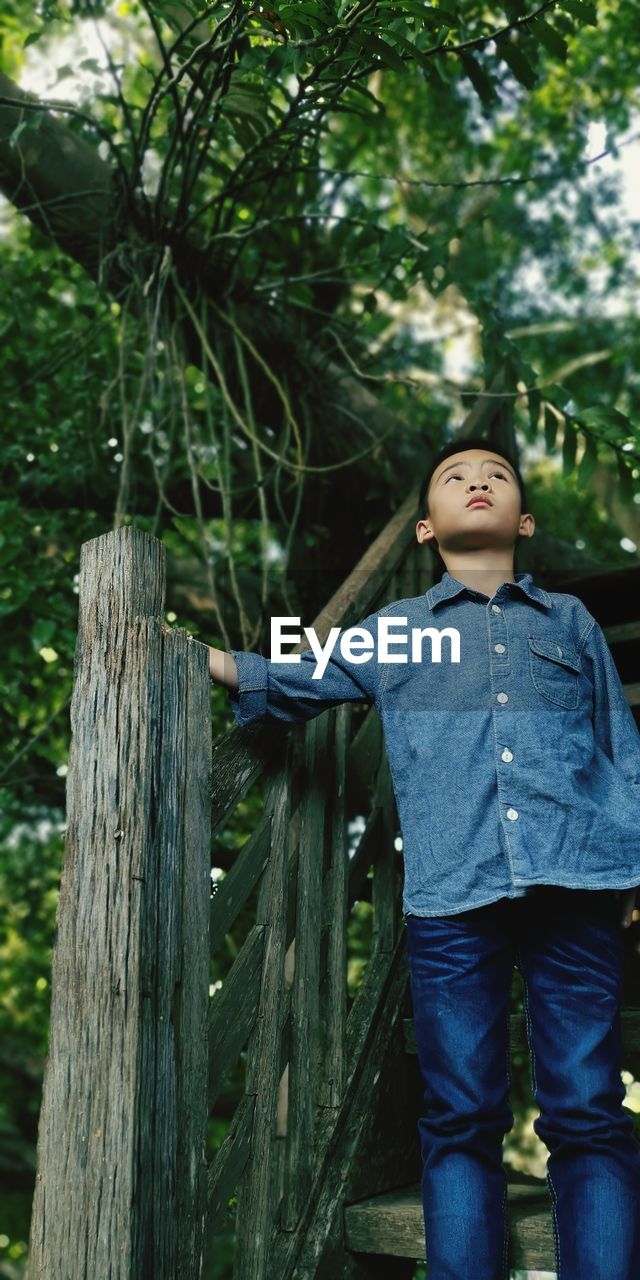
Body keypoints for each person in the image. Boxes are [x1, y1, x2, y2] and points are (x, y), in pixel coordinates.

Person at [207, 436, 640, 1279]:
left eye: (496, 476)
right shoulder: (395, 633)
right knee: (459, 1119)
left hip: (579, 878)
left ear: (525, 517)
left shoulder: (573, 623)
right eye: (454, 477)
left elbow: (619, 747)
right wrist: (206, 660)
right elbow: (300, 679)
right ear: (423, 532)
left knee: (588, 1111)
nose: (477, 481)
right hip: (452, 899)